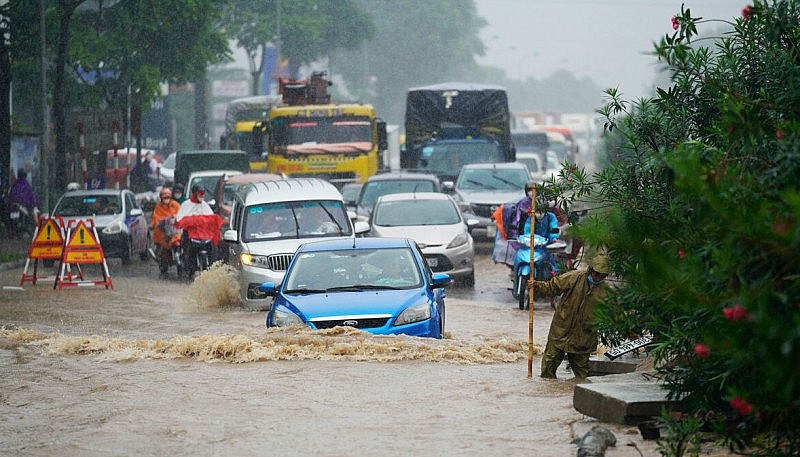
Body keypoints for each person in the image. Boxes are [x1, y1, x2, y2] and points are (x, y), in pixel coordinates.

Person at [529, 253, 611, 379]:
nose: (597, 277)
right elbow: (552, 287)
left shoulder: (606, 292)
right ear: (590, 270)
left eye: (601, 275)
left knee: (582, 375)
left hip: (583, 338)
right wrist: (536, 286)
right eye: (596, 273)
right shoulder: (574, 277)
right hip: (561, 331)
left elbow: (615, 314)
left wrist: (631, 331)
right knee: (548, 369)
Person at [152, 187, 181, 276]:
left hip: (174, 230)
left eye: (167, 197)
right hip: (163, 230)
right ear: (161, 198)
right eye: (164, 198)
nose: (166, 199)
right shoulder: (158, 207)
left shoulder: (175, 205)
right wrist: (161, 222)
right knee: (162, 241)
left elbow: (181, 215)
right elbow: (156, 219)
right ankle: (162, 259)